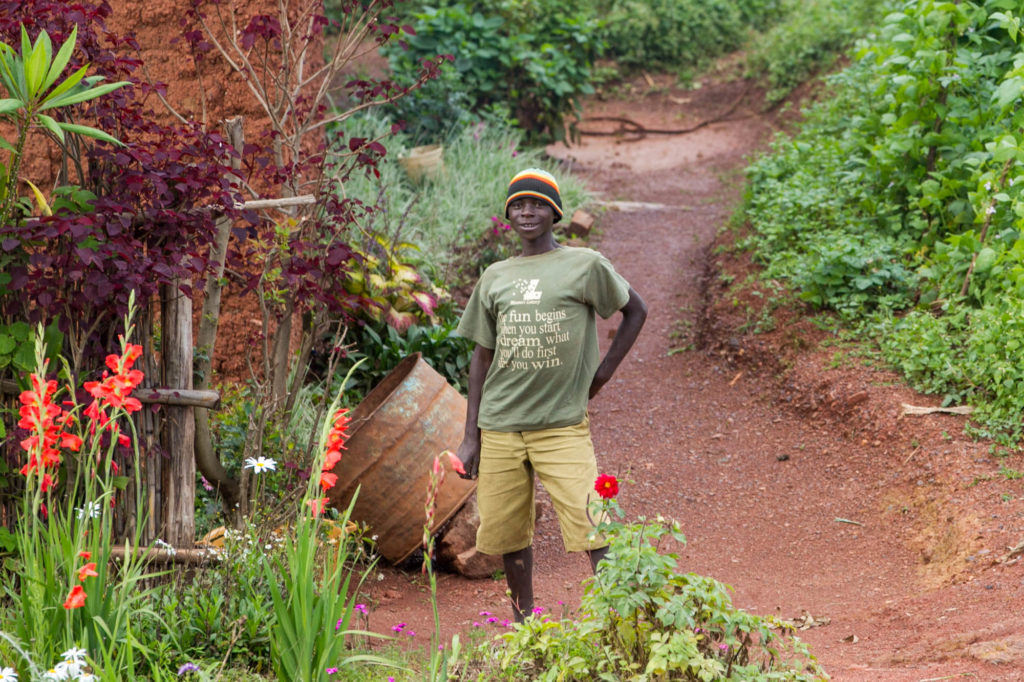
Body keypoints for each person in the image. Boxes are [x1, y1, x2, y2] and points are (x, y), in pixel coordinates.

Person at [454, 168, 647, 622]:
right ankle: (526, 627)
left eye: (538, 204)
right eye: (518, 204)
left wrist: (601, 376)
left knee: (592, 524)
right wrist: (471, 437)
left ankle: (615, 623)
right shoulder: (496, 276)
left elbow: (635, 310)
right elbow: (481, 359)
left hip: (561, 425)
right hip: (501, 425)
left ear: (555, 213)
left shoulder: (584, 265)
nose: (527, 211)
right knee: (508, 534)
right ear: (508, 213)